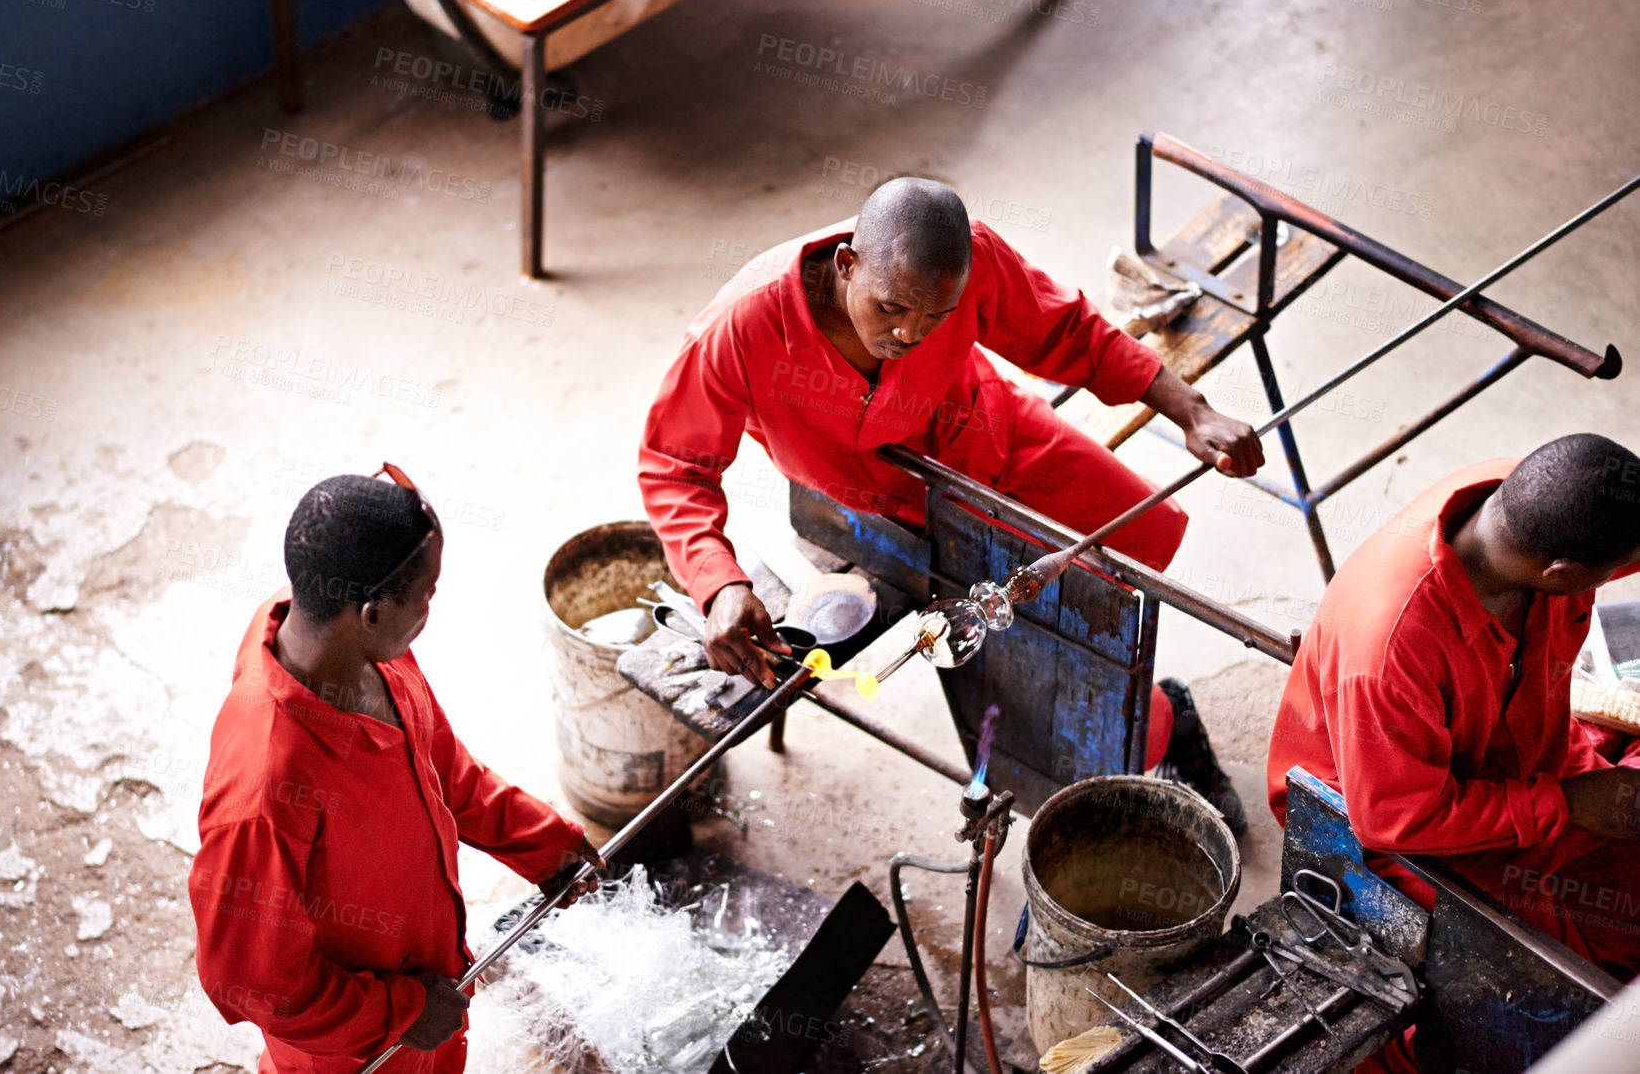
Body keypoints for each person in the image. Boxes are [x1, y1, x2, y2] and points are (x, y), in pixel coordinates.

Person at [639, 178, 1263, 827]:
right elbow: (674, 465)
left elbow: (1066, 331)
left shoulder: (974, 261)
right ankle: (1154, 733)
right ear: (847, 264)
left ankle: (1157, 724)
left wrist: (1192, 410)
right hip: (879, 515)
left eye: (934, 317)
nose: (909, 333)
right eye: (890, 309)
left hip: (989, 435)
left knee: (1120, 572)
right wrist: (717, 584)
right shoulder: (742, 326)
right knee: (1054, 660)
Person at [190, 469, 600, 1074]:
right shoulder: (264, 787)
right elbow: (253, 981)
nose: (431, 610)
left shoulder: (366, 651)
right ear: (372, 612)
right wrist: (400, 1013)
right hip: (354, 1050)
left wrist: (543, 845)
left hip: (427, 995)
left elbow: (443, 768)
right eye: (427, 596)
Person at [1266, 435, 1640, 1070]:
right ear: (1562, 576)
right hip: (1395, 830)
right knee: (1545, 989)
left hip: (1528, 767)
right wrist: (1564, 805)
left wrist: (1567, 798)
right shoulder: (1390, 647)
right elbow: (1391, 819)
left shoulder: (1521, 505)